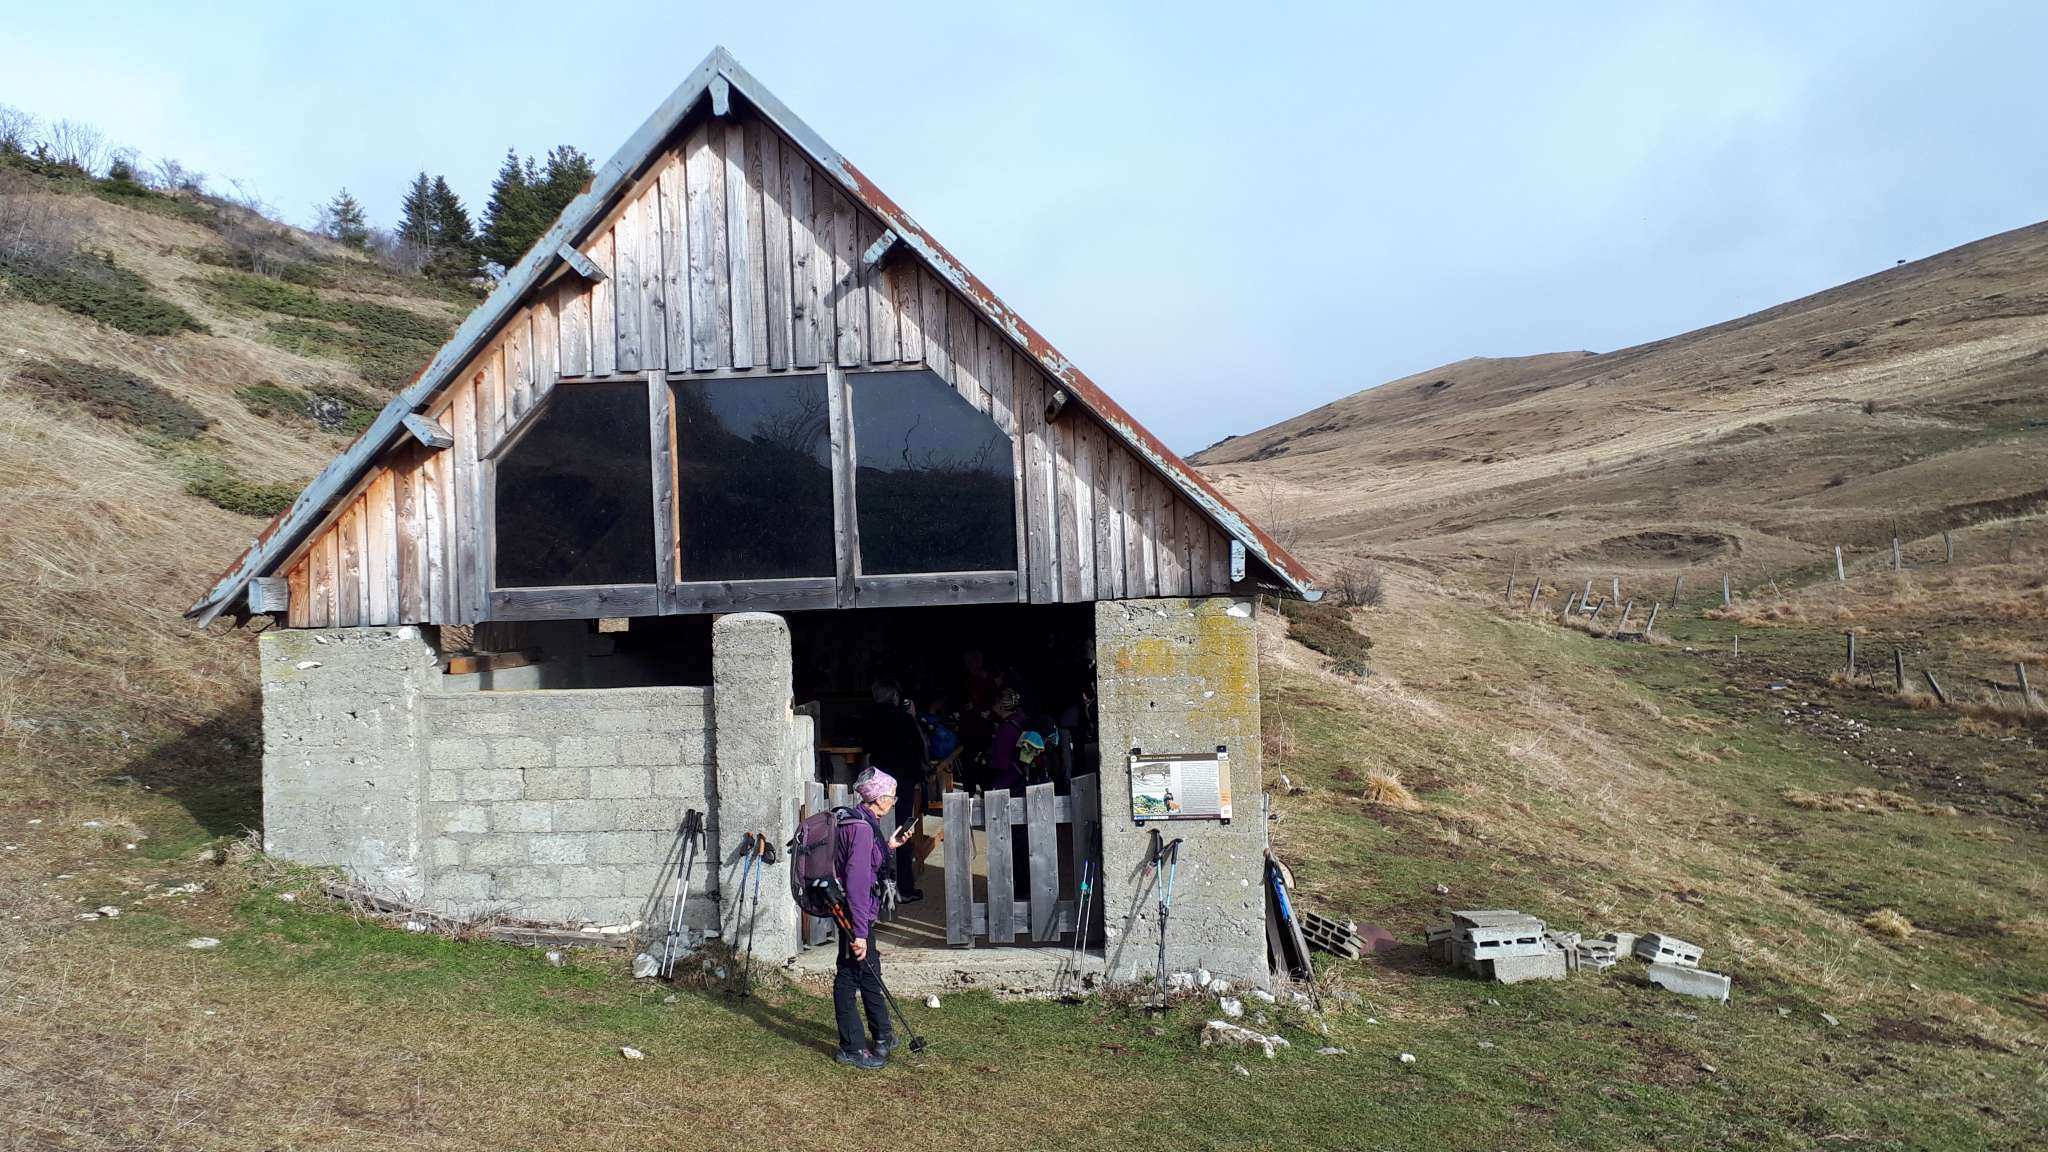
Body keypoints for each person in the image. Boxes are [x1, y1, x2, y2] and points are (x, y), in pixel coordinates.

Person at [832, 767, 913, 1070]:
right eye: (892, 796)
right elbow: (856, 881)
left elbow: (868, 865)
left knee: (869, 969)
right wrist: (859, 933)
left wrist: (890, 846)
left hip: (859, 911)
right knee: (849, 975)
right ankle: (851, 1048)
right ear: (879, 798)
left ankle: (883, 1035)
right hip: (854, 912)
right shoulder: (862, 828)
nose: (894, 801)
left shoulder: (864, 821)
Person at [861, 679, 928, 902]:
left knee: (875, 832)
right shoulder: (904, 719)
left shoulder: (870, 718)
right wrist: (913, 717)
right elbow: (921, 747)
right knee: (903, 831)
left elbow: (866, 748)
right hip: (903, 782)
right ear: (895, 697)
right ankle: (904, 888)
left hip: (878, 784)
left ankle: (880, 888)